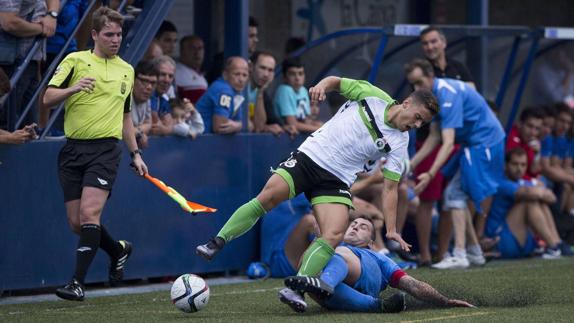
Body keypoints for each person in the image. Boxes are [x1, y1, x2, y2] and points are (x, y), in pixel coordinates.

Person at [196, 76, 439, 309]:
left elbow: (390, 188)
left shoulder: (399, 141)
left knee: (333, 233)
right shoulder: (373, 96)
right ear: (406, 103)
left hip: (337, 179)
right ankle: (216, 242)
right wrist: (322, 86)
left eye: (422, 123)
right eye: (417, 118)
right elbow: (336, 82)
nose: (416, 125)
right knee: (267, 198)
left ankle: (297, 288)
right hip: (311, 156)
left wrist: (392, 229)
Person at [42, 7, 148, 301]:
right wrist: (73, 88)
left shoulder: (126, 69)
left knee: (90, 214)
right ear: (95, 35)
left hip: (105, 151)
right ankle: (118, 250)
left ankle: (77, 283)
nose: (116, 39)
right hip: (73, 150)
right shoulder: (75, 60)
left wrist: (135, 153)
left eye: (119, 34)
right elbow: (47, 98)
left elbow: (126, 117)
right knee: (78, 224)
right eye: (109, 34)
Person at [406, 58, 504, 269]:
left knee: (454, 195)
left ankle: (460, 254)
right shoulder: (435, 95)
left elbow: (448, 143)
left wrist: (430, 174)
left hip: (484, 143)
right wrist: (410, 165)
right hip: (478, 143)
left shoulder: (447, 94)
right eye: (412, 84)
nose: (416, 89)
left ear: (431, 76)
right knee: (455, 194)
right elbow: (434, 137)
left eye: (420, 82)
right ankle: (475, 252)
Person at [281, 216, 475, 313]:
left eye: (363, 227)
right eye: (353, 224)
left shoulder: (379, 257)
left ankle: (325, 283)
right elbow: (302, 265)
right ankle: (378, 306)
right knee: (313, 265)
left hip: (359, 273)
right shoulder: (329, 246)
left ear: (371, 242)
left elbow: (411, 284)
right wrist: (319, 240)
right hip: (340, 294)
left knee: (335, 254)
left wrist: (444, 301)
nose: (356, 226)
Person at [485, 148, 564, 259]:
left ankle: (556, 243)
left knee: (539, 201)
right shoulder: (501, 182)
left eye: (523, 165)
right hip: (500, 239)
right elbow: (528, 192)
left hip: (520, 239)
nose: (519, 169)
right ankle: (553, 246)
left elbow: (552, 198)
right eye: (515, 164)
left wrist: (538, 192)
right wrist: (539, 190)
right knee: (529, 201)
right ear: (505, 165)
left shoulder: (522, 182)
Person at [0, 0, 58, 128]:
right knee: (7, 124)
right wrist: (42, 28)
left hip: (30, 60)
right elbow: (9, 22)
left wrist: (52, 15)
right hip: (10, 64)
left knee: (29, 127)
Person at [195, 56, 249, 134]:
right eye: (237, 74)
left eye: (245, 75)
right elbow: (220, 126)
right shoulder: (224, 90)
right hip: (199, 140)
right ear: (225, 75)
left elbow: (242, 122)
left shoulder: (236, 92)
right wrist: (239, 126)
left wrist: (239, 125)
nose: (241, 79)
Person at [274, 58, 322, 133]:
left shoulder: (303, 90)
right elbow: (292, 124)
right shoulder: (284, 90)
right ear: (284, 77)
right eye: (292, 74)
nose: (297, 78)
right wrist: (319, 129)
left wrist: (319, 125)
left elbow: (307, 121)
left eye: (300, 73)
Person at [247, 51, 289, 136]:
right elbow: (256, 127)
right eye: (262, 68)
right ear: (251, 67)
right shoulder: (240, 88)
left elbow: (259, 126)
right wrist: (266, 127)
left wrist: (260, 92)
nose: (266, 74)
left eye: (270, 70)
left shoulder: (261, 92)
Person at [206, 16, 258, 84]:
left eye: (256, 36)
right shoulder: (221, 62)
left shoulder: (251, 61)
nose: (256, 40)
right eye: (251, 36)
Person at [506, 107, 544, 179]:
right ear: (520, 124)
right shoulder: (511, 137)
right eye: (530, 126)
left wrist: (537, 155)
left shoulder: (531, 142)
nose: (533, 132)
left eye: (537, 128)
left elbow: (533, 172)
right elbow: (513, 172)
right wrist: (532, 181)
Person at [131, 60, 158, 149]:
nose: (149, 87)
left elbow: (148, 124)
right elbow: (121, 130)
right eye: (144, 81)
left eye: (153, 83)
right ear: (133, 80)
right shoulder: (124, 97)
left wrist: (137, 131)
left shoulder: (146, 99)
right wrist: (139, 133)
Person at [175, 35, 207, 104]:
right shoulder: (176, 73)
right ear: (182, 51)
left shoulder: (200, 75)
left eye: (200, 48)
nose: (197, 53)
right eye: (192, 48)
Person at [150, 55, 176, 136]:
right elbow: (156, 127)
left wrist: (166, 129)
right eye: (163, 74)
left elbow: (172, 124)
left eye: (170, 76)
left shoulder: (162, 98)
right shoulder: (148, 95)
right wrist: (168, 129)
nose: (166, 80)